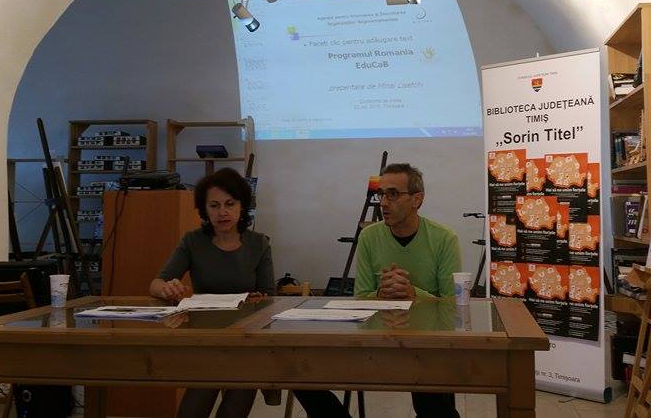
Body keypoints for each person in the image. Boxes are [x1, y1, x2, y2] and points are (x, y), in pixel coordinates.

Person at [294, 163, 462, 418]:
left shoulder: (444, 238)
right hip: (376, 341)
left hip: (428, 344)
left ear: (417, 199)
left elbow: (452, 304)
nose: (383, 203)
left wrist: (412, 294)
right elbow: (361, 297)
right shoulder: (369, 236)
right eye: (381, 194)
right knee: (298, 369)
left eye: (393, 194)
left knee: (433, 401)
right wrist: (382, 294)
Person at [150, 168, 274, 418]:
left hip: (245, 338)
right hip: (205, 336)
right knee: (196, 402)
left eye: (230, 204)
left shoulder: (258, 243)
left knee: (239, 392)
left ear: (242, 206)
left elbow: (269, 296)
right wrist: (167, 288)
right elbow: (156, 283)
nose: (222, 212)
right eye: (214, 206)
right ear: (204, 210)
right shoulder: (193, 241)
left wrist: (259, 299)